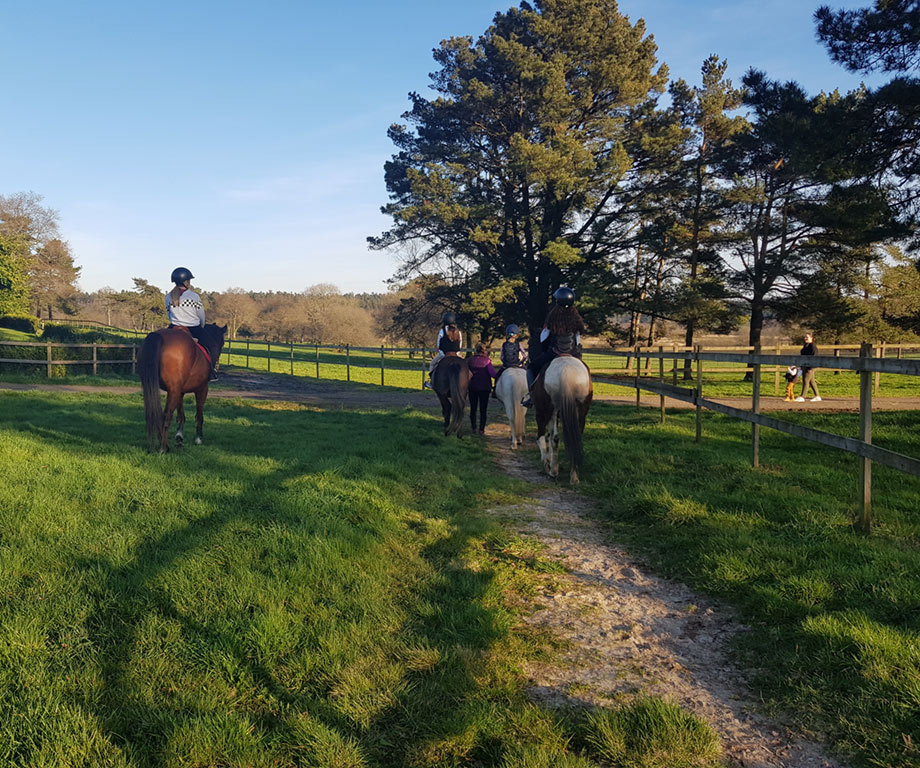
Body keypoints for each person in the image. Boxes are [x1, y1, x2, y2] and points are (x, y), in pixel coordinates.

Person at [521, 287, 587, 407]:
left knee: (531, 367)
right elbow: (577, 340)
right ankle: (587, 396)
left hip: (554, 352)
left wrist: (545, 348)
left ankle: (531, 396)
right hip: (572, 353)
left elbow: (543, 338)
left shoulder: (552, 318)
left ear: (557, 302)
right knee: (585, 370)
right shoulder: (577, 320)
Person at [165, 266, 218, 381]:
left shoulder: (168, 297)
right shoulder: (194, 296)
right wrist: (201, 326)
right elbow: (201, 315)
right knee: (213, 347)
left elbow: (169, 314)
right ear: (185, 282)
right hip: (193, 328)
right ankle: (211, 373)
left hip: (174, 327)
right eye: (189, 280)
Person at [424, 311, 463, 389]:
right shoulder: (458, 331)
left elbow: (439, 343)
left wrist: (441, 353)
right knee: (465, 366)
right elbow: (460, 343)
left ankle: (431, 382)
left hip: (444, 354)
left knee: (432, 364)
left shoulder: (442, 331)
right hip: (456, 353)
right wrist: (458, 353)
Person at [468, 342, 497, 434]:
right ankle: (481, 429)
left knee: (473, 408)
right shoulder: (487, 361)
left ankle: (473, 427)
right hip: (484, 388)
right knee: (483, 409)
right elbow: (493, 374)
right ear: (484, 351)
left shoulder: (470, 360)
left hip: (472, 387)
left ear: (475, 350)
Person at [491, 323, 526, 397]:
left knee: (497, 376)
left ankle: (494, 390)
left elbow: (501, 357)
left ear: (507, 334)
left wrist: (505, 362)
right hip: (517, 364)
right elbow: (524, 355)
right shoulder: (518, 344)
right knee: (528, 374)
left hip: (506, 365)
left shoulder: (504, 344)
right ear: (517, 335)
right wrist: (521, 362)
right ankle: (531, 391)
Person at [795, 332, 821, 402]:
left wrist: (810, 368)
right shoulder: (806, 345)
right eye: (805, 337)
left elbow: (814, 358)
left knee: (806, 380)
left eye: (807, 337)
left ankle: (802, 396)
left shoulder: (813, 347)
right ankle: (817, 396)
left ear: (812, 338)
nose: (805, 338)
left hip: (810, 366)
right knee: (811, 381)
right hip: (805, 365)